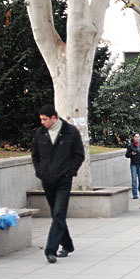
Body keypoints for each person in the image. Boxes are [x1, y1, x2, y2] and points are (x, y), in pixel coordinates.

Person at [31, 104, 85, 264]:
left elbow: (79, 155)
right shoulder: (40, 134)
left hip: (63, 180)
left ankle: (50, 250)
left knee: (59, 213)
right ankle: (67, 245)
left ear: (54, 118)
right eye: (41, 119)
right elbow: (35, 156)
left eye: (44, 119)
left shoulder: (71, 132)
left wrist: (69, 172)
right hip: (47, 180)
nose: (42, 122)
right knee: (57, 214)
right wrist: (40, 172)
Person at [125, 132, 140, 199]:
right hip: (133, 164)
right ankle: (135, 194)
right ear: (133, 138)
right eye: (136, 137)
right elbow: (126, 155)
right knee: (134, 179)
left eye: (138, 137)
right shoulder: (131, 146)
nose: (137, 138)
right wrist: (131, 154)